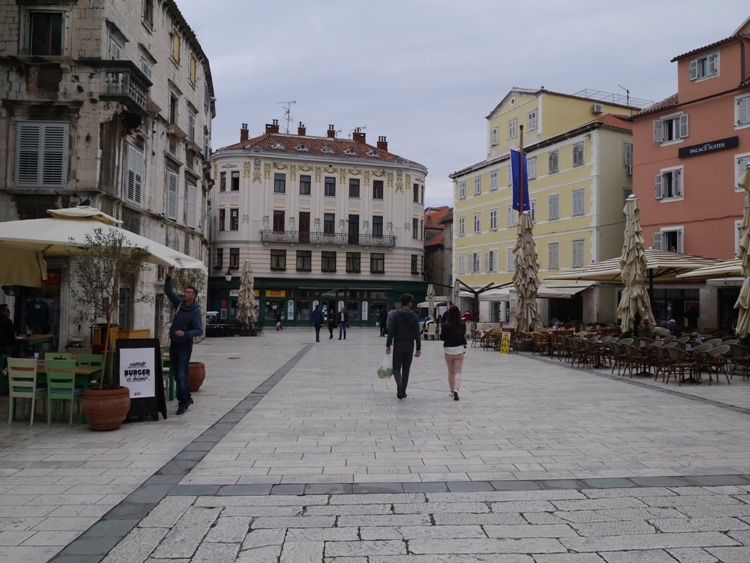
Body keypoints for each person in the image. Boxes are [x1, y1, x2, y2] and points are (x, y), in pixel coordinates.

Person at [165, 265, 203, 416]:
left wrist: (185, 333)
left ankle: (182, 403)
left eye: (188, 292)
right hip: (174, 344)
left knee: (181, 375)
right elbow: (168, 291)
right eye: (185, 291)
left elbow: (199, 330)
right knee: (177, 375)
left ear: (193, 296)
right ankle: (187, 398)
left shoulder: (195, 311)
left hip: (185, 346)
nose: (184, 293)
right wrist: (169, 275)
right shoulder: (179, 304)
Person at [385, 293, 421, 400]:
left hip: (398, 344)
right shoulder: (414, 316)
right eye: (411, 301)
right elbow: (417, 333)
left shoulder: (396, 315)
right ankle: (403, 391)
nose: (412, 303)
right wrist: (418, 347)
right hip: (409, 345)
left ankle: (399, 384)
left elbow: (391, 331)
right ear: (409, 302)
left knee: (396, 368)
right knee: (406, 369)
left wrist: (388, 345)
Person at [440, 305, 467, 401]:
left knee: (451, 371)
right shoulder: (462, 324)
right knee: (458, 372)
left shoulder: (445, 325)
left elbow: (442, 337)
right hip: (459, 349)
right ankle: (456, 389)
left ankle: (451, 391)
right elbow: (463, 335)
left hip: (448, 350)